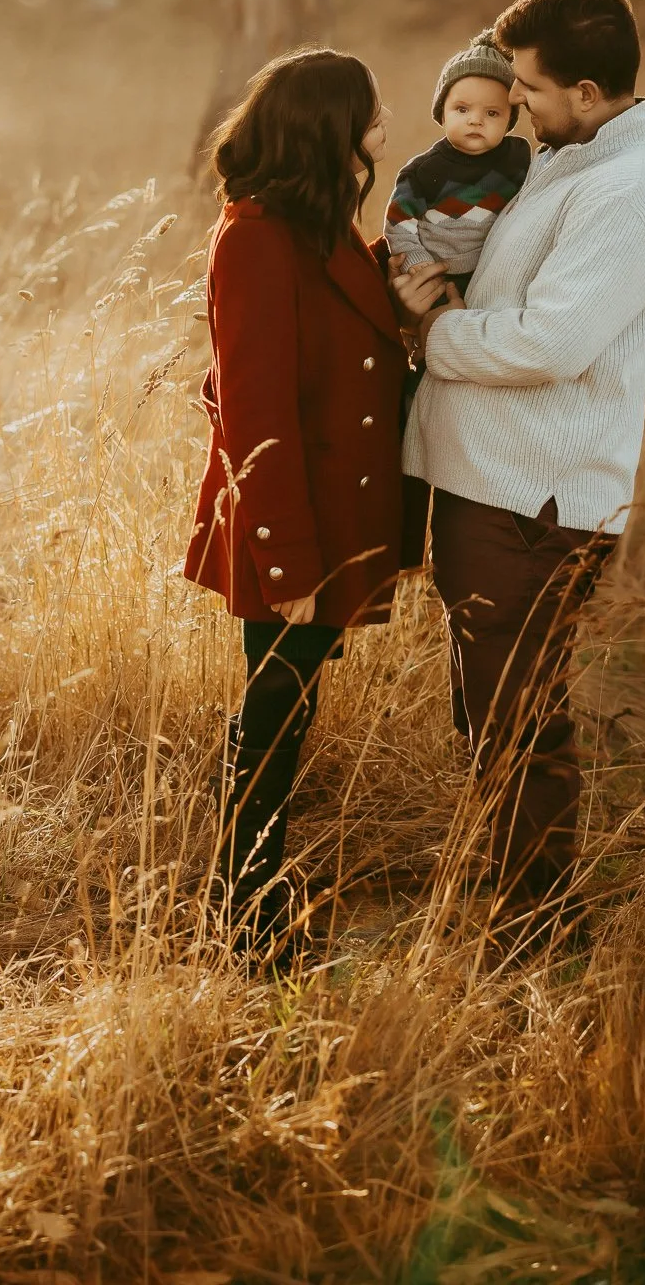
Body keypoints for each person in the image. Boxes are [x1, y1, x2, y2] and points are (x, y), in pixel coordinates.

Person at [391, 0, 645, 950]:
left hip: (534, 497)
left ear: (587, 91)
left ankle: (542, 933)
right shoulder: (564, 155)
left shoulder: (620, 192)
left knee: (518, 722)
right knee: (488, 707)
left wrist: (433, 329)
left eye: (527, 86)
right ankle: (509, 888)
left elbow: (548, 341)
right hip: (488, 483)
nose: (511, 101)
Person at [183, 49, 441, 961]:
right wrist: (288, 564)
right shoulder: (253, 237)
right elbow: (255, 413)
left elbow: (341, 316)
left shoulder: (317, 221)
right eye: (373, 107)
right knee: (273, 717)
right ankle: (245, 921)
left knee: (283, 708)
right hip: (288, 530)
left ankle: (248, 898)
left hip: (331, 518)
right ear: (330, 125)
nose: (388, 116)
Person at [384, 29, 532, 568]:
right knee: (418, 408)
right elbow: (398, 225)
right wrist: (423, 270)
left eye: (493, 113)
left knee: (468, 399)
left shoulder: (518, 164)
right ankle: (405, 545)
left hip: (488, 286)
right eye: (463, 108)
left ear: (510, 122)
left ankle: (475, 514)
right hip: (440, 280)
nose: (476, 120)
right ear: (441, 110)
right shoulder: (423, 171)